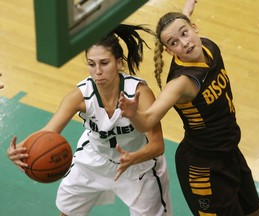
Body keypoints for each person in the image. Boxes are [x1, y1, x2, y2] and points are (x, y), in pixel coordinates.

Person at [7, 24, 172, 216]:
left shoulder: (139, 93)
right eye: (91, 64)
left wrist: (133, 158)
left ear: (119, 63)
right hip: (94, 160)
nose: (97, 71)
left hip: (138, 166)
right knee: (67, 212)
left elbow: (158, 146)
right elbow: (48, 132)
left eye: (104, 63)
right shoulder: (79, 96)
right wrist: (20, 151)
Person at [119, 0, 259, 215]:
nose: (184, 43)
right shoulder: (182, 83)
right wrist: (133, 114)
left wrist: (188, 6)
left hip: (230, 153)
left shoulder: (208, 47)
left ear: (194, 27)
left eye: (185, 33)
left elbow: (182, 21)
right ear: (168, 51)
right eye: (174, 43)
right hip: (204, 169)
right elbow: (148, 120)